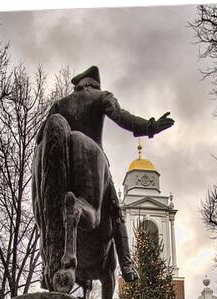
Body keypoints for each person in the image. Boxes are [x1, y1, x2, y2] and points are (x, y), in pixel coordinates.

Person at [36, 65, 174, 282]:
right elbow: (122, 118)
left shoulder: (60, 104)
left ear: (79, 85)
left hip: (59, 157)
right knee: (116, 211)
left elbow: (39, 138)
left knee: (45, 203)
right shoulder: (101, 97)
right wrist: (151, 127)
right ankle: (127, 264)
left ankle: (47, 264)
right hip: (93, 160)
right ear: (94, 83)